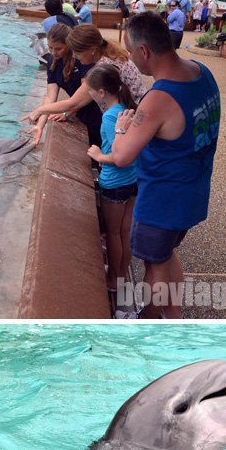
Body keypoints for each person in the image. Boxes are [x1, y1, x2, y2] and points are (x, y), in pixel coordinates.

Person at [107, 11, 221, 318]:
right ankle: (174, 317)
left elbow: (121, 156)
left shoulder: (158, 99)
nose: (130, 58)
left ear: (143, 51)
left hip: (162, 202)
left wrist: (121, 128)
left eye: (130, 52)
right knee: (166, 255)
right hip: (191, 195)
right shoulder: (202, 72)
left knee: (155, 265)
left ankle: (149, 321)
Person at [24, 23, 146, 137]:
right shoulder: (109, 56)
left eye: (77, 53)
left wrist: (40, 110)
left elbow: (74, 102)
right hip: (131, 116)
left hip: (133, 121)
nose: (74, 56)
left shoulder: (104, 68)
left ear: (92, 50)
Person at [85, 63, 138, 303]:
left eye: (90, 90)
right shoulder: (127, 109)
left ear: (102, 92)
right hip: (132, 182)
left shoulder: (110, 116)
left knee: (114, 234)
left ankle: (113, 280)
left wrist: (97, 156)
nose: (89, 94)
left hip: (114, 182)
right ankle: (122, 279)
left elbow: (117, 157)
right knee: (124, 233)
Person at [23, 22, 102, 148]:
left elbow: (80, 98)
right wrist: (40, 125)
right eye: (50, 48)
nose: (54, 53)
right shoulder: (52, 62)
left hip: (96, 115)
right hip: (81, 114)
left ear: (69, 45)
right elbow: (50, 97)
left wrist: (66, 113)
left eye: (58, 48)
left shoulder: (83, 58)